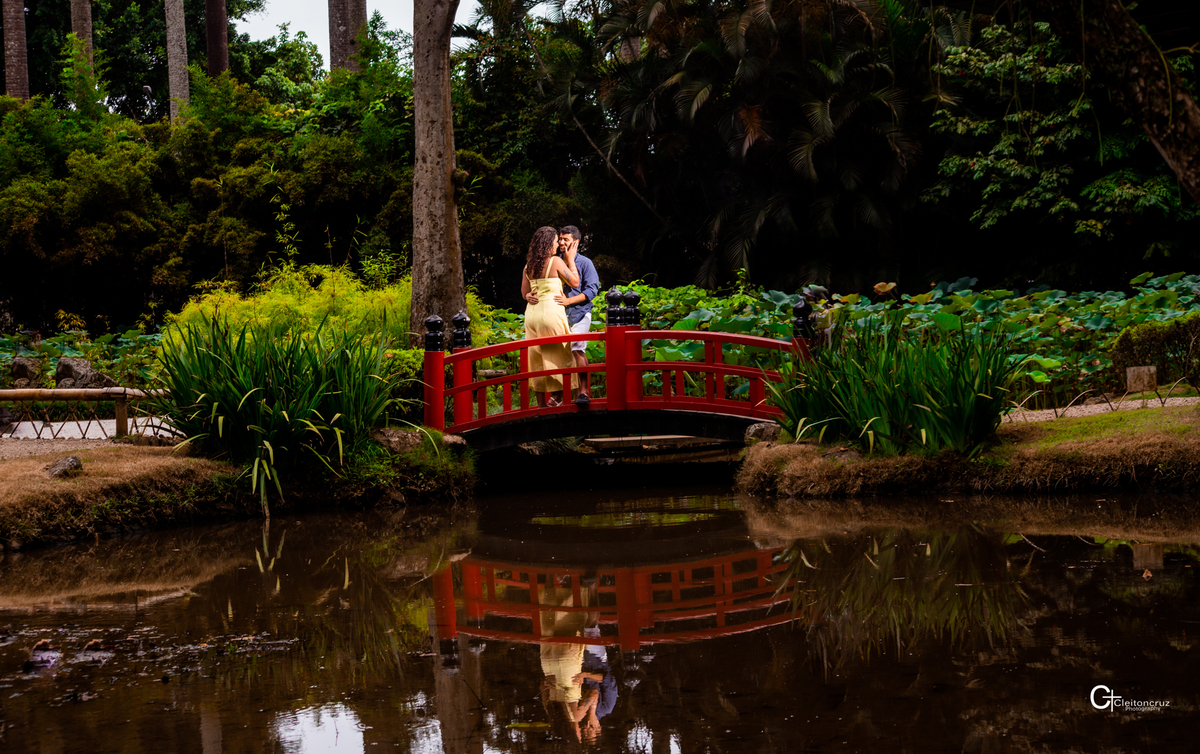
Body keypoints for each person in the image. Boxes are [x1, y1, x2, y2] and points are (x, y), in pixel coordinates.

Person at [527, 226, 601, 405]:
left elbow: (592, 290)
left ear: (576, 242)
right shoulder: (553, 260)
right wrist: (528, 294)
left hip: (580, 313)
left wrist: (569, 301)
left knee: (576, 348)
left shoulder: (585, 263)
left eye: (566, 239)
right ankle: (558, 396)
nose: (561, 242)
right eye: (559, 239)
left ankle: (582, 392)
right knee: (556, 352)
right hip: (560, 316)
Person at [521, 226, 580, 407]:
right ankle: (560, 399)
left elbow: (524, 292)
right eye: (555, 241)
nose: (557, 245)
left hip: (531, 315)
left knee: (536, 357)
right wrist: (570, 261)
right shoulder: (555, 261)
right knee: (561, 356)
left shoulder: (529, 264)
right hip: (550, 313)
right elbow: (575, 282)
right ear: (548, 244)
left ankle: (541, 405)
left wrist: (528, 297)